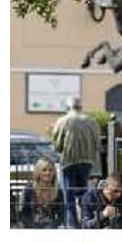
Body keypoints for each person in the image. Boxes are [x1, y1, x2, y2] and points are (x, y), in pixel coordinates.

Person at [51, 96, 101, 228]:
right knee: (84, 193)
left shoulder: (63, 121)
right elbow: (97, 143)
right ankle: (86, 219)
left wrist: (60, 149)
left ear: (68, 107)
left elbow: (56, 143)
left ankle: (72, 225)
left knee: (69, 195)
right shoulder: (92, 121)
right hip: (87, 161)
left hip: (68, 161)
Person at [18, 157, 65, 229]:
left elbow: (62, 215)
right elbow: (23, 214)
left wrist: (52, 226)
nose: (48, 173)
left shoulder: (58, 191)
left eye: (51, 170)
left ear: (54, 173)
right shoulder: (29, 189)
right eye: (44, 170)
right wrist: (33, 226)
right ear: (38, 172)